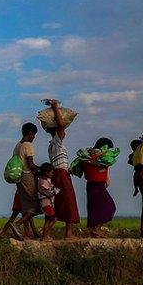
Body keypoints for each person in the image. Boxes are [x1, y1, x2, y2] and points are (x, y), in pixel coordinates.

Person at [45, 100, 80, 239]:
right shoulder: (56, 142)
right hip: (61, 174)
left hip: (59, 174)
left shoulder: (52, 144)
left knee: (60, 203)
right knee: (68, 201)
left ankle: (48, 233)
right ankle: (68, 233)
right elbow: (61, 125)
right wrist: (54, 107)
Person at [72, 138, 120, 237]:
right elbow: (93, 164)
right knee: (109, 206)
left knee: (96, 208)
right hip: (96, 185)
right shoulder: (92, 157)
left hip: (94, 185)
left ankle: (95, 230)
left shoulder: (91, 157)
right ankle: (96, 229)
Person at [6, 123, 41, 240]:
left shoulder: (17, 146)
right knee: (34, 205)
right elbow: (30, 165)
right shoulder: (28, 145)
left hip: (20, 178)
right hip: (28, 177)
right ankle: (17, 224)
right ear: (30, 133)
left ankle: (27, 233)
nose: (34, 137)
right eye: (34, 135)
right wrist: (41, 169)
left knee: (26, 206)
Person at [37, 163, 58, 241]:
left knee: (48, 220)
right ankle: (45, 235)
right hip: (46, 203)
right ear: (46, 172)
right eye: (51, 172)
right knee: (54, 218)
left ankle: (45, 235)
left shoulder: (42, 180)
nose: (52, 174)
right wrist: (54, 192)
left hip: (45, 203)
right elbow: (45, 192)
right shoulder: (43, 182)